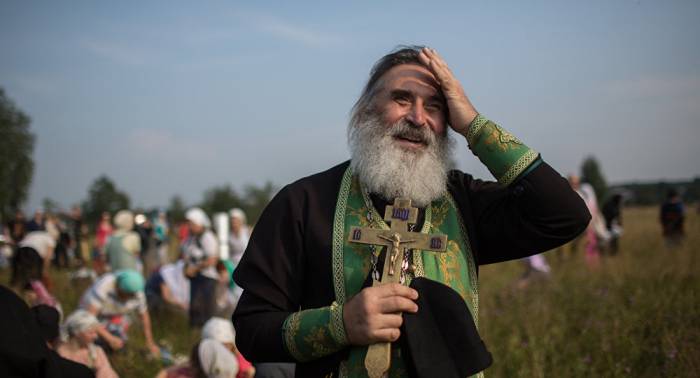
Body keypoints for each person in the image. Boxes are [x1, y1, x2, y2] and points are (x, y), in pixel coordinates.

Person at [232, 46, 590, 377]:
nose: (418, 118)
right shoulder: (304, 203)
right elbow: (252, 330)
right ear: (365, 111)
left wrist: (473, 124)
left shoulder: (463, 201)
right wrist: (341, 324)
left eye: (434, 106)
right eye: (402, 100)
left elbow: (565, 215)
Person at [78, 269, 160, 357]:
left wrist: (149, 341)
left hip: (113, 317)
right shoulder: (104, 286)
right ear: (118, 288)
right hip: (90, 316)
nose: (128, 298)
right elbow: (90, 317)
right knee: (92, 338)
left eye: (131, 295)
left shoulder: (138, 294)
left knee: (119, 340)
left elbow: (144, 317)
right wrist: (109, 338)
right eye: (126, 295)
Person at [182, 207, 220, 327]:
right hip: (195, 278)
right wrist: (186, 269)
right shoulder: (192, 238)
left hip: (207, 277)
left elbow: (212, 259)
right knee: (195, 307)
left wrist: (195, 269)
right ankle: (195, 332)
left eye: (192, 223)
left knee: (206, 308)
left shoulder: (208, 237)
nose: (189, 226)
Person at [57, 310, 119, 378]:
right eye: (91, 333)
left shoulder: (96, 354)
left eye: (96, 333)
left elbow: (106, 374)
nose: (95, 336)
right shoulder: (58, 352)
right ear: (77, 333)